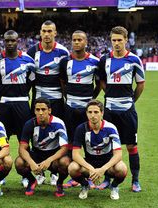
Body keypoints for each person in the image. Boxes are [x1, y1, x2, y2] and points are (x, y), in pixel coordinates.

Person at [97, 26, 145, 192]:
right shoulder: (104, 60)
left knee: (131, 146)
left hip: (127, 110)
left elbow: (140, 84)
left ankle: (135, 180)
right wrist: (108, 93)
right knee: (108, 145)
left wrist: (132, 100)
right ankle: (107, 178)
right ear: (110, 41)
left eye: (119, 40)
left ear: (126, 40)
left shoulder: (134, 59)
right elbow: (101, 80)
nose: (116, 43)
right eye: (114, 40)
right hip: (109, 109)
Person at [27, 20, 69, 185]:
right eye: (44, 31)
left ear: (55, 33)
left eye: (50, 31)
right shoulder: (32, 51)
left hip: (57, 101)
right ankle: (37, 169)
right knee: (35, 133)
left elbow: (65, 78)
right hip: (38, 101)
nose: (46, 34)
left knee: (57, 134)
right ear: (40, 32)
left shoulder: (62, 52)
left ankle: (55, 172)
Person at [0, 30, 35, 187]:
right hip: (3, 105)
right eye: (7, 41)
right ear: (3, 41)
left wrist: (21, 93)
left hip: (22, 104)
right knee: (2, 140)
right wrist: (3, 95)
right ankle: (2, 172)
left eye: (13, 40)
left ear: (18, 41)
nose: (10, 43)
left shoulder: (28, 60)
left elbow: (31, 80)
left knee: (24, 140)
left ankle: (25, 173)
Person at [60, 30, 101, 189]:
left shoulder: (95, 62)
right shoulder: (65, 62)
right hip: (70, 108)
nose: (76, 42)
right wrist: (69, 97)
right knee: (71, 141)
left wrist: (91, 99)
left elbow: (98, 84)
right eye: (74, 39)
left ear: (86, 42)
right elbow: (62, 82)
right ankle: (74, 175)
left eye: (80, 40)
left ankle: (90, 174)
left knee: (89, 141)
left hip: (87, 110)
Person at [68, 99, 127, 200]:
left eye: (96, 112)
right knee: (72, 168)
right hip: (89, 162)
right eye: (90, 112)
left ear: (102, 113)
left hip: (108, 164)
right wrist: (91, 169)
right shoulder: (81, 129)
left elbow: (118, 154)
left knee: (122, 169)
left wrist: (103, 169)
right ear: (86, 113)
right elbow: (75, 154)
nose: (93, 115)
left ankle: (114, 186)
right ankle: (85, 185)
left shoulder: (111, 128)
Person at [15, 97, 70, 197]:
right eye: (37, 110)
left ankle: (59, 183)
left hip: (54, 157)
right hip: (37, 155)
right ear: (34, 111)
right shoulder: (29, 124)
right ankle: (32, 181)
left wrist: (49, 160)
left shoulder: (59, 123)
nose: (40, 113)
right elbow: (22, 148)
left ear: (49, 110)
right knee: (19, 162)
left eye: (43, 109)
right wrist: (31, 163)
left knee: (65, 162)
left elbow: (64, 148)